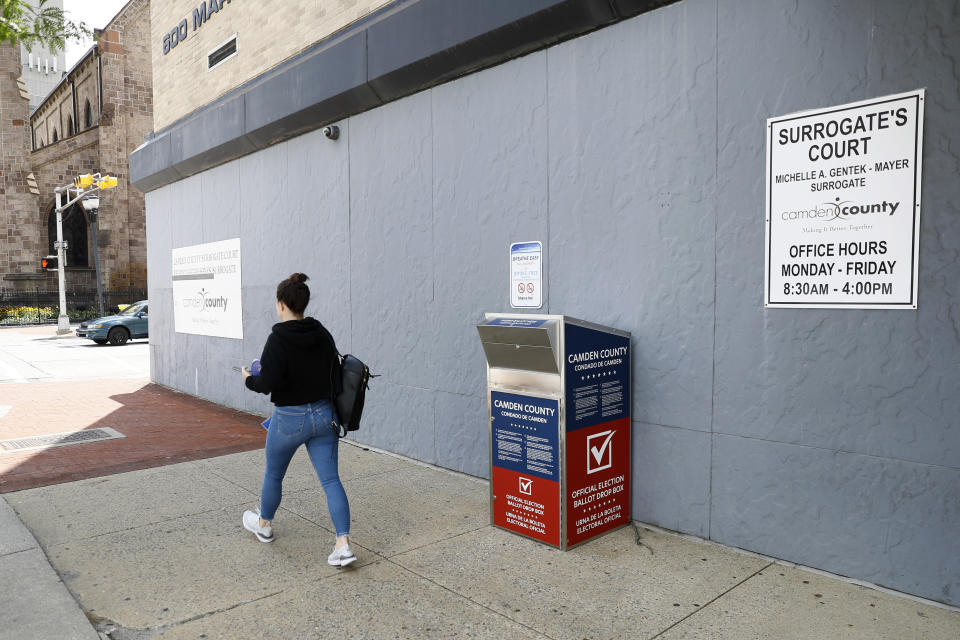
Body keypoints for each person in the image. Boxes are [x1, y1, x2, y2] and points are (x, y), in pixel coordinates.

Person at [240, 273, 355, 567]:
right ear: (303, 304)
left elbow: (267, 382)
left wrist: (249, 379)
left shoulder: (278, 338)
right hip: (324, 415)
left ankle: (264, 526)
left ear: (281, 305)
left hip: (289, 419)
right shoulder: (321, 332)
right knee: (331, 480)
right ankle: (343, 544)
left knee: (274, 475)